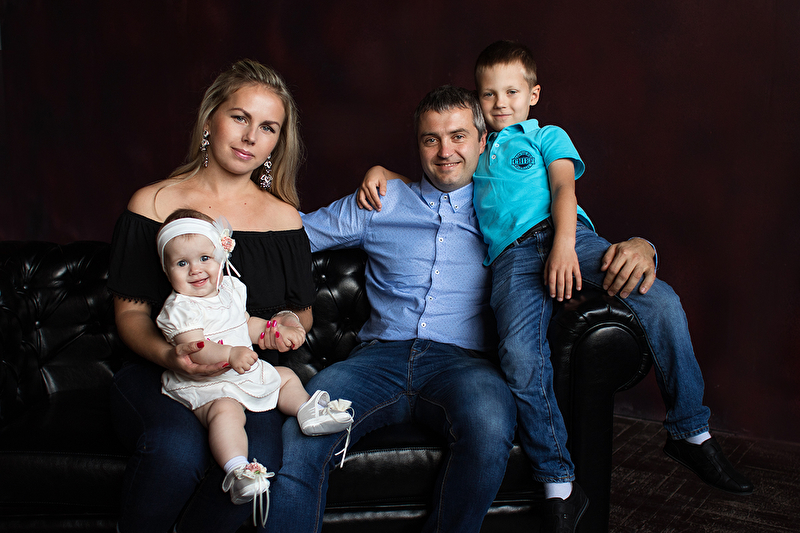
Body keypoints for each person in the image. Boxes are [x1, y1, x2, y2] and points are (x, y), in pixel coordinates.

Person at [360, 41, 754, 532]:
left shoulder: (545, 136)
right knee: (520, 357)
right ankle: (557, 481)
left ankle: (689, 430)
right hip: (511, 259)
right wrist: (383, 173)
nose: (500, 103)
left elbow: (565, 187)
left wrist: (567, 244)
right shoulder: (474, 149)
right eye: (488, 94)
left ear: (534, 94)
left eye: (512, 92)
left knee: (662, 300)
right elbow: (438, 175)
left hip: (569, 237)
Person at [265, 86, 519, 533]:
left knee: (489, 423)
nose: (445, 152)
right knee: (305, 426)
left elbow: (574, 239)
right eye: (431, 139)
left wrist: (639, 246)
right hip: (376, 360)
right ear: (417, 145)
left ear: (483, 141)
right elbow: (291, 237)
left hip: (463, 364)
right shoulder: (381, 201)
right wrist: (212, 226)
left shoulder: (506, 209)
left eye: (458, 136)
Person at [108, 59, 316, 533]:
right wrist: (171, 356)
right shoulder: (152, 204)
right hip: (160, 371)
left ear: (277, 143)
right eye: (240, 117)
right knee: (175, 452)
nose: (250, 137)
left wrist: (285, 325)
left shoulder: (284, 219)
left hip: (245, 374)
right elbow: (131, 314)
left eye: (267, 127)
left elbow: (300, 313)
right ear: (210, 120)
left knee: (255, 467)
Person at [154, 208, 353, 525]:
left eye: (204, 258)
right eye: (181, 263)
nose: (195, 270)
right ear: (167, 272)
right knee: (227, 412)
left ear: (221, 256)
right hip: (209, 383)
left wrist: (274, 331)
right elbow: (195, 349)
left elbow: (246, 324)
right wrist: (230, 353)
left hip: (242, 371)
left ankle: (308, 413)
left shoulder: (230, 290)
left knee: (286, 376)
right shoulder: (180, 307)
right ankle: (238, 471)